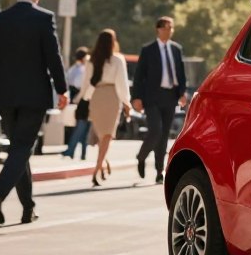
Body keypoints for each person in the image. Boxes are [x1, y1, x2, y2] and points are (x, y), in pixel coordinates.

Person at [0, 0, 68, 225]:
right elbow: (53, 56)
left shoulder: (0, 19)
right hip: (34, 95)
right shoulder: (44, 18)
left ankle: (28, 207)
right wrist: (62, 89)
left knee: (20, 149)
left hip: (5, 94)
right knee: (22, 148)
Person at [132, 16, 187, 184]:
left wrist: (182, 93)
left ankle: (159, 170)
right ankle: (141, 157)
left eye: (171, 28)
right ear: (158, 29)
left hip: (170, 96)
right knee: (155, 129)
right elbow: (139, 76)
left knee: (164, 135)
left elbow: (180, 73)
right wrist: (137, 97)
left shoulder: (176, 49)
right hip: (152, 97)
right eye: (166, 28)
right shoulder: (148, 50)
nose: (169, 31)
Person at [77, 29, 131, 187]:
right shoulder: (117, 60)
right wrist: (126, 102)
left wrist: (85, 99)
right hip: (111, 96)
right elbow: (122, 84)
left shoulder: (91, 60)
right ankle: (97, 169)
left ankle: (102, 163)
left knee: (103, 136)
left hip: (96, 97)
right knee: (106, 136)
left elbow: (86, 84)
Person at [61, 47, 91, 160]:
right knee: (82, 128)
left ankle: (78, 152)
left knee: (82, 128)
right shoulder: (83, 70)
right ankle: (73, 151)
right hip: (83, 101)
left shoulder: (73, 69)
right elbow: (81, 86)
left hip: (79, 100)